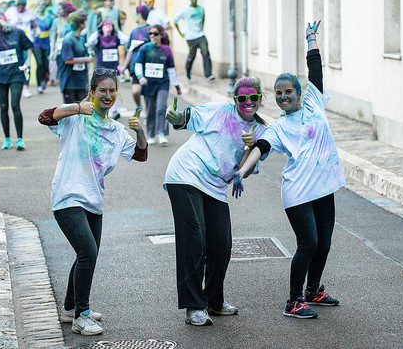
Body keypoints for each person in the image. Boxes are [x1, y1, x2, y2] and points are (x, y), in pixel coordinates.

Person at [232, 21, 345, 319]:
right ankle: (293, 301)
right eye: (278, 94)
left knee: (325, 242)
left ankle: (313, 291)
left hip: (323, 187)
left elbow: (315, 70)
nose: (283, 98)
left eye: (287, 92)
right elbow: (261, 148)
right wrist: (242, 171)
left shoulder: (314, 103)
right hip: (297, 192)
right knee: (308, 243)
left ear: (298, 92)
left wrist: (311, 38)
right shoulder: (279, 127)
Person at [37, 68, 148, 336]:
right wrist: (76, 108)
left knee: (86, 254)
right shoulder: (75, 119)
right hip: (67, 196)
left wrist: (141, 132)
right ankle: (81, 315)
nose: (107, 96)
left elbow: (141, 155)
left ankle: (69, 307)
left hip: (93, 200)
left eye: (112, 91)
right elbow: (43, 116)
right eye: (102, 91)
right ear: (93, 92)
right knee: (88, 252)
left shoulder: (117, 130)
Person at [164, 77, 267, 326]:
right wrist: (174, 116)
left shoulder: (261, 130)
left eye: (253, 98)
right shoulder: (218, 111)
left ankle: (214, 300)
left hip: (216, 185)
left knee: (222, 244)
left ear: (260, 99)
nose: (248, 102)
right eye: (242, 98)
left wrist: (247, 151)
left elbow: (245, 169)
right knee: (194, 240)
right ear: (235, 99)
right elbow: (184, 119)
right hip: (185, 174)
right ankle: (194, 306)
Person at [0, 10, 33, 150]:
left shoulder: (18, 32)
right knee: (3, 107)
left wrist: (28, 60)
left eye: (0, 17)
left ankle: (20, 139)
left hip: (16, 74)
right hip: (0, 76)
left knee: (15, 105)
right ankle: (7, 139)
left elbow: (29, 46)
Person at [135, 24, 181, 145]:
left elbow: (171, 69)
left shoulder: (167, 50)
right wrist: (140, 77)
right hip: (148, 84)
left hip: (163, 83)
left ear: (161, 35)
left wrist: (177, 86)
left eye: (155, 34)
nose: (152, 36)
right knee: (150, 110)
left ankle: (161, 133)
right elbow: (138, 64)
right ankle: (150, 134)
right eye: (150, 33)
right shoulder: (144, 48)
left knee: (161, 107)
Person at [87, 19, 125, 120]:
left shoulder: (116, 37)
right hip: (101, 71)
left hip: (114, 70)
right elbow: (90, 41)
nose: (108, 27)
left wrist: (117, 30)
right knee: (99, 91)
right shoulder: (98, 38)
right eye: (105, 25)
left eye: (110, 25)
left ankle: (114, 111)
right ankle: (96, 110)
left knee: (113, 91)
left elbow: (126, 40)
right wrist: (98, 30)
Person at [173, 0, 215, 81]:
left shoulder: (201, 9)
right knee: (192, 55)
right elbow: (175, 21)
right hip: (190, 37)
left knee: (205, 53)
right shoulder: (185, 10)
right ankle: (188, 70)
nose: (194, 0)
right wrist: (181, 33)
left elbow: (203, 18)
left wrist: (201, 29)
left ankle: (208, 74)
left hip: (200, 35)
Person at [120, 5, 150, 113]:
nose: (134, 16)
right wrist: (124, 67)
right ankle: (139, 106)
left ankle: (148, 113)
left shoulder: (150, 30)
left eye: (135, 14)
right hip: (135, 66)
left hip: (147, 66)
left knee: (147, 93)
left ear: (140, 15)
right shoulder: (134, 32)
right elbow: (130, 50)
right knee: (135, 92)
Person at [5, 0, 37, 98]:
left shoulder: (29, 12)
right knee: (14, 63)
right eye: (19, 4)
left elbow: (35, 25)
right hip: (13, 42)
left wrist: (36, 33)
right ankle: (13, 85)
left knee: (27, 64)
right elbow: (5, 23)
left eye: (23, 5)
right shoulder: (10, 11)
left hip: (26, 41)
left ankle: (26, 88)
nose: (21, 7)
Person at [58, 10, 92, 104]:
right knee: (71, 112)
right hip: (69, 82)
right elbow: (68, 60)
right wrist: (86, 59)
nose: (86, 23)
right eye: (85, 21)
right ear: (80, 24)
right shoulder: (68, 40)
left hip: (81, 81)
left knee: (83, 110)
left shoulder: (81, 39)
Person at [49, 1, 76, 86]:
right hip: (59, 50)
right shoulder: (56, 22)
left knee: (72, 70)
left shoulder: (72, 20)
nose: (58, 11)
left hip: (71, 49)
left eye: (60, 9)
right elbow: (53, 38)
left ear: (66, 9)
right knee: (61, 69)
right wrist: (52, 52)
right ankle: (63, 88)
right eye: (58, 9)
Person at [33, 0, 54, 94]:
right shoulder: (33, 17)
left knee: (46, 65)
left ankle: (44, 81)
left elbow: (53, 30)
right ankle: (38, 85)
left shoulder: (50, 18)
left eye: (43, 5)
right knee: (39, 63)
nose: (41, 6)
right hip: (36, 43)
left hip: (46, 43)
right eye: (39, 4)